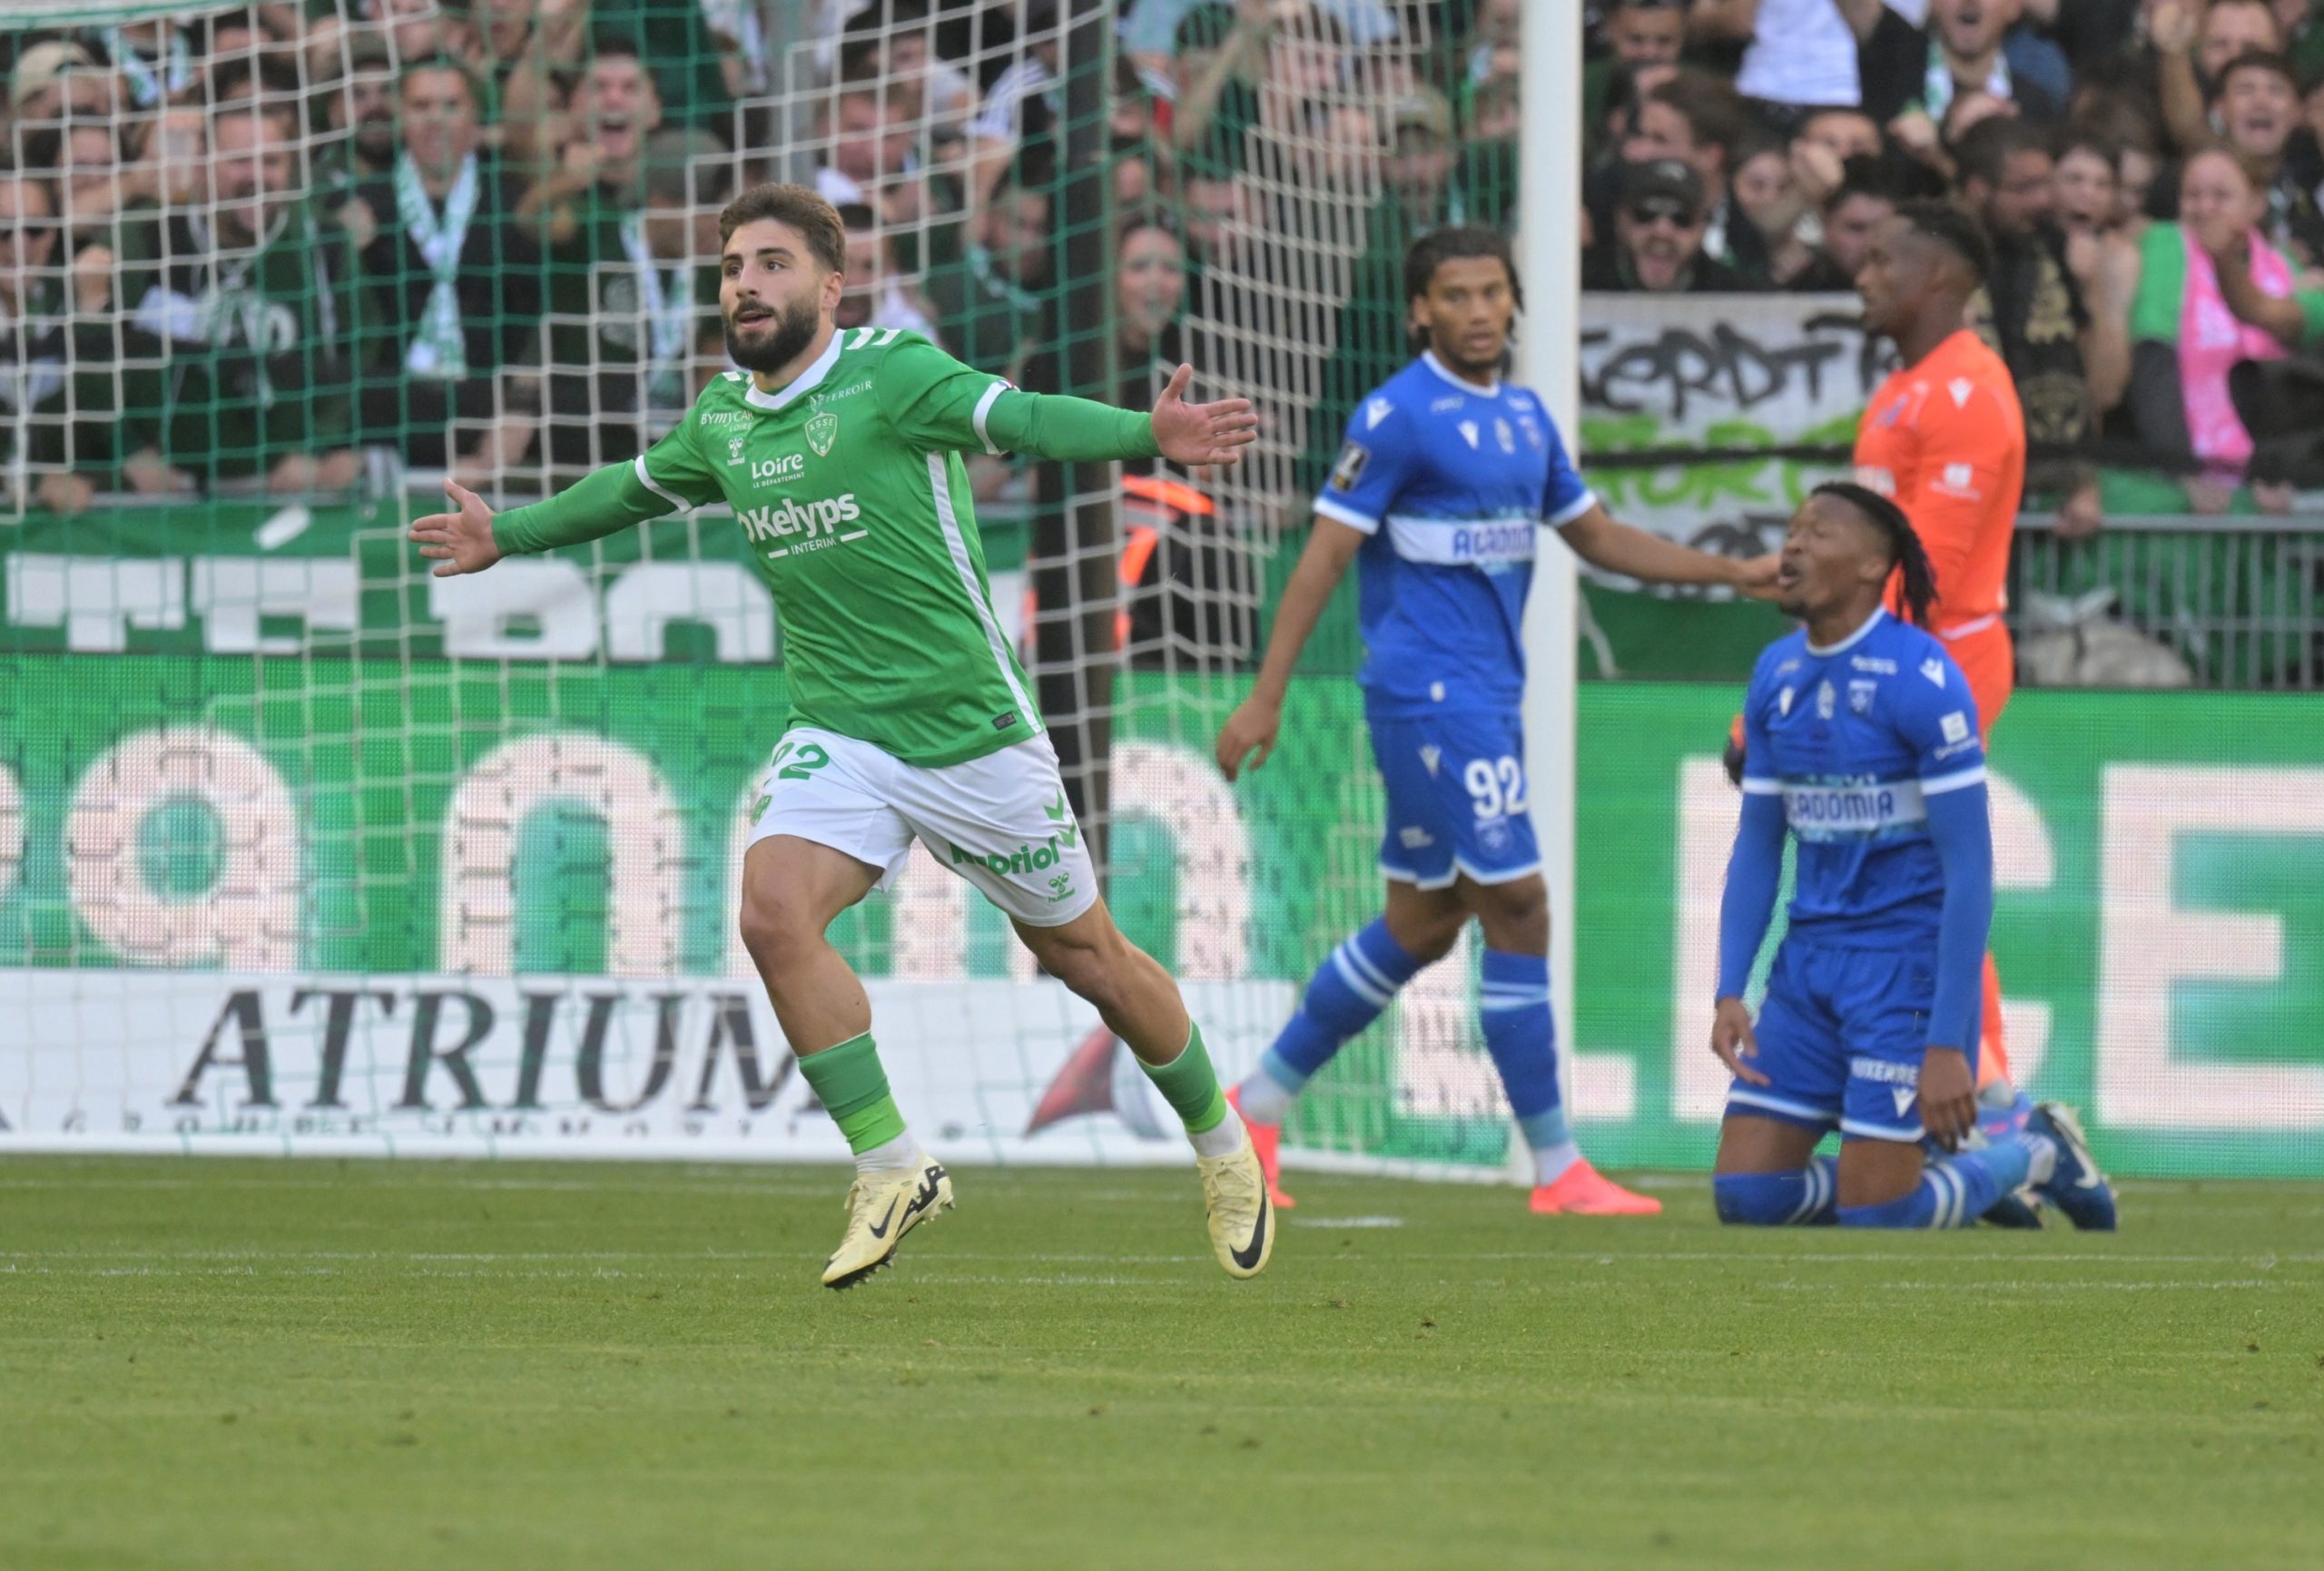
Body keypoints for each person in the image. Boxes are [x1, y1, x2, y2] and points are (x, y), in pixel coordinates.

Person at [410, 183, 1274, 1289]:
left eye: (771, 264)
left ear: (832, 283)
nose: (745, 285)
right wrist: (509, 533)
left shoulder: (893, 375)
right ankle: (892, 1164)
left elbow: (1022, 421)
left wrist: (1145, 434)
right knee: (773, 915)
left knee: (1084, 960)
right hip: (841, 731)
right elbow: (630, 491)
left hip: (970, 734)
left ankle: (1218, 1142)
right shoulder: (723, 417)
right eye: (730, 267)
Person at [1213, 226, 1777, 1215]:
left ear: (1513, 302)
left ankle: (1253, 1107)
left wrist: (1730, 572)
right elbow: (1322, 559)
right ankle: (1558, 1170)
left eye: (1491, 293)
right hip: (1430, 697)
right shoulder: (1396, 417)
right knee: (1519, 905)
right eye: (1455, 296)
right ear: (1418, 311)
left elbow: (1596, 535)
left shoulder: (1522, 418)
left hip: (1480, 698)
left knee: (1422, 922)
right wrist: (1268, 692)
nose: (1477, 312)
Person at [1709, 483, 2115, 1231]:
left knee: (1880, 1218)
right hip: (1808, 969)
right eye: (1791, 530)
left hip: (1904, 972)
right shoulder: (1777, 674)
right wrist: (1730, 986)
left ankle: (2035, 1152)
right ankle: (1952, 1178)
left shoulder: (1921, 680)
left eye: (1817, 534)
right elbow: (1759, 843)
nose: (1793, 544)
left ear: (1872, 566)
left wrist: (1946, 1041)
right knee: (1747, 1196)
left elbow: (1970, 873)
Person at [1849, 200, 2031, 1138]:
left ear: (1942, 280)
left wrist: (1826, 678)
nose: (1863, 274)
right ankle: (1996, 1105)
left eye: (1884, 260)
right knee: (1914, 870)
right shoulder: (1903, 389)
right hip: (1904, 655)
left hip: (1942, 660)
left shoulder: (1965, 393)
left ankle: (2000, 1111)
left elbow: (1929, 576)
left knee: (1931, 871)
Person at [344, 57, 541, 468]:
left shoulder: (516, 205)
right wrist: (341, 247)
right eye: (421, 106)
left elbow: (537, 324)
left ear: (475, 114)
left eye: (451, 105)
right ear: (399, 116)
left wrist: (521, 409)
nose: (436, 119)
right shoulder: (357, 206)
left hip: (493, 418)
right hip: (384, 421)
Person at [1954, 117, 2126, 538]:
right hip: (1960, 499)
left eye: (2046, 185)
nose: (2044, 200)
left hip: (2051, 502)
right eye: (2025, 188)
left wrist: (2087, 483)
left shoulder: (2057, 248)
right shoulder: (1933, 256)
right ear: (1978, 190)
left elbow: (2100, 389)